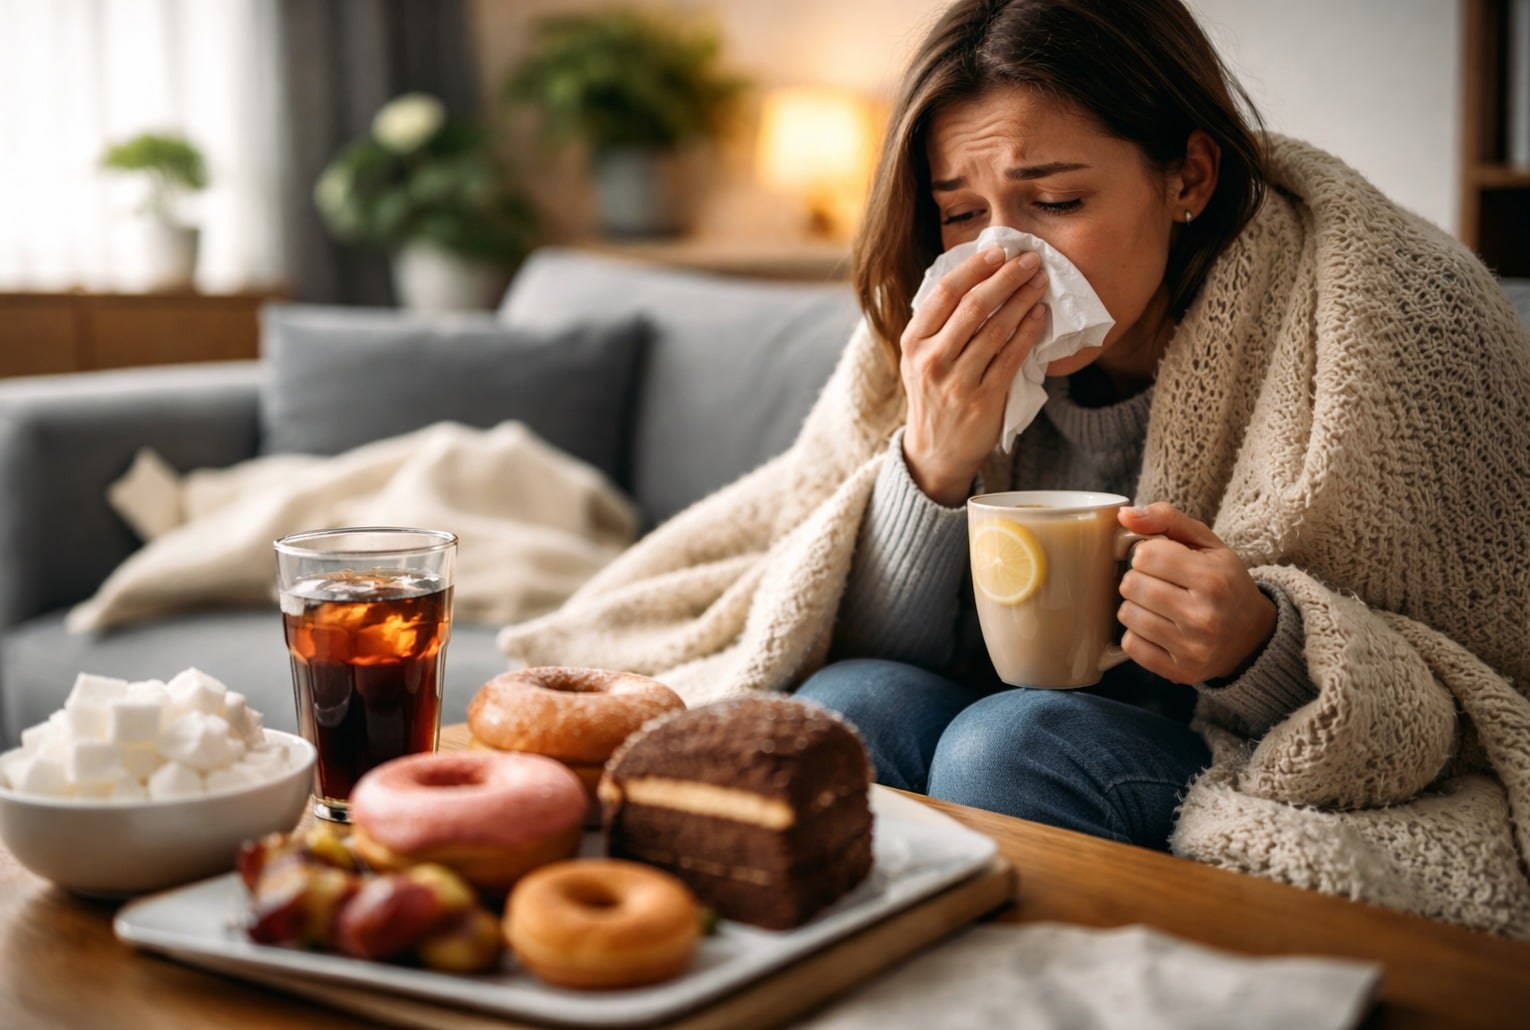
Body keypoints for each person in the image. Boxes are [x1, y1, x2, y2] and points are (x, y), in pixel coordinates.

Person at [501, 0, 1530, 934]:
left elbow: (1475, 678)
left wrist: (1257, 641)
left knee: (1009, 745)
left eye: (1055, 199)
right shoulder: (924, 328)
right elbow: (840, 630)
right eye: (961, 213)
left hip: (1221, 750)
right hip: (999, 711)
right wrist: (932, 465)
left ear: (1189, 177)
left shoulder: (1376, 312)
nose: (1003, 259)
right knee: (851, 705)